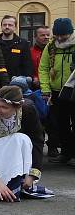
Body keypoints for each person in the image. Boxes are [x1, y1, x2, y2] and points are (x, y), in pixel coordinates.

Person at [39, 18, 75, 165]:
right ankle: (66, 153)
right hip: (56, 92)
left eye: (63, 35)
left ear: (70, 33)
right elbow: (43, 68)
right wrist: (46, 89)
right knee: (61, 124)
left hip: (73, 91)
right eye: (57, 35)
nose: (60, 38)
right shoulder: (51, 46)